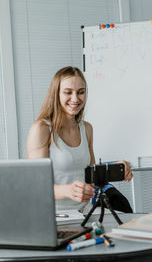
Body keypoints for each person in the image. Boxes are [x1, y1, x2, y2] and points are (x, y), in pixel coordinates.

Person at [27, 66, 133, 212]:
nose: (75, 99)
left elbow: (92, 180)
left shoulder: (87, 129)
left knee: (125, 229)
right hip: (53, 215)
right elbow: (36, 188)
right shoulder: (41, 129)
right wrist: (68, 190)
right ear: (56, 94)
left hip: (85, 211)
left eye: (81, 92)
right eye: (68, 92)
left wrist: (115, 169)